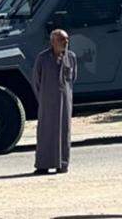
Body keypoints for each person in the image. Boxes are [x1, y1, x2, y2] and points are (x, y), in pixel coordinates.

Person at [33, 29, 76, 175]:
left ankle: (62, 164)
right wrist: (44, 96)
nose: (66, 42)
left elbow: (73, 78)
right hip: (47, 101)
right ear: (53, 42)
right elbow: (36, 80)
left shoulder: (71, 57)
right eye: (62, 40)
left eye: (67, 39)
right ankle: (43, 165)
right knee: (46, 132)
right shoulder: (43, 58)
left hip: (65, 101)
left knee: (64, 131)